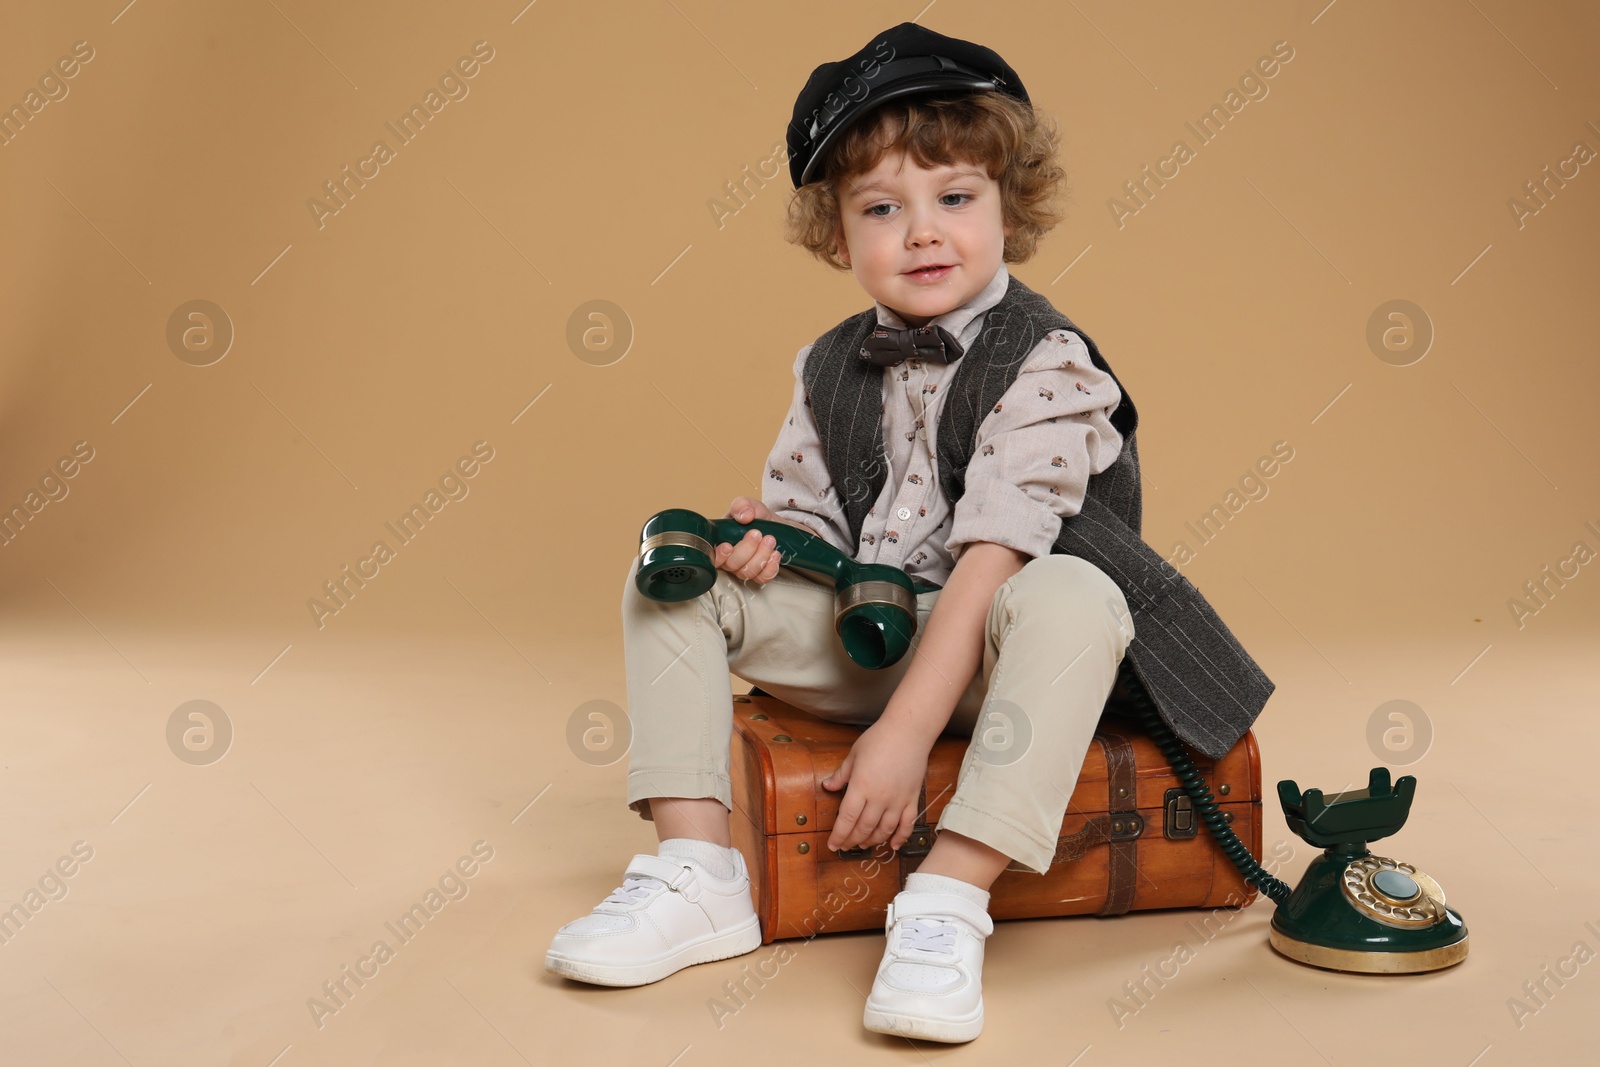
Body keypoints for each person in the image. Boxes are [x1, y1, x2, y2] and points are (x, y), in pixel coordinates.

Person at [545, 22, 1273, 1044]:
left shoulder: (1048, 360)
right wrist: (769, 540)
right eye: (883, 209)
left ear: (1010, 210)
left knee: (1076, 593)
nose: (922, 232)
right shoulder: (827, 363)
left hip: (1012, 665)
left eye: (954, 199)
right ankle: (695, 867)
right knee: (668, 575)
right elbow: (818, 513)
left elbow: (992, 557)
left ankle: (945, 898)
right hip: (869, 637)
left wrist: (901, 739)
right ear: (839, 237)